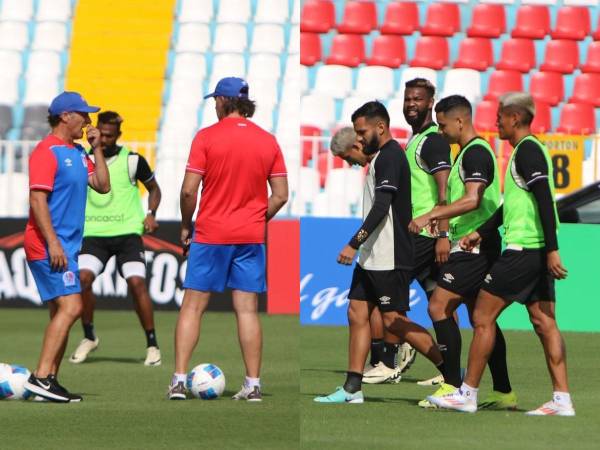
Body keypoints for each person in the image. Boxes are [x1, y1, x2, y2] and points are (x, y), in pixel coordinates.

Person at [429, 92, 574, 416]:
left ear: (515, 118)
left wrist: (552, 250)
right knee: (543, 321)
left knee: (482, 316)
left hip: (524, 249)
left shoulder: (527, 152)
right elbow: (515, 204)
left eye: (500, 117)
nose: (496, 123)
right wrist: (482, 231)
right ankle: (562, 400)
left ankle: (468, 394)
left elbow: (544, 202)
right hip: (532, 249)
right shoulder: (528, 152)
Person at [314, 101, 446, 404]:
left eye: (362, 132)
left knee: (394, 322)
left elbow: (381, 208)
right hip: (372, 255)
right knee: (356, 312)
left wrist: (353, 242)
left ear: (380, 127)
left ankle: (453, 376)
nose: (359, 138)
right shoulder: (379, 159)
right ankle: (352, 388)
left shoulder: (390, 157)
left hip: (390, 253)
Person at [167, 77, 288, 401]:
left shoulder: (207, 137)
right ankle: (253, 385)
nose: (215, 105)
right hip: (249, 236)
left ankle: (179, 381)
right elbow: (281, 195)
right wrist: (255, 219)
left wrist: (184, 224)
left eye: (215, 101)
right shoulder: (268, 140)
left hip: (211, 233)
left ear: (223, 100)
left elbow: (189, 190)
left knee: (193, 307)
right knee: (247, 310)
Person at [409, 95, 516, 410]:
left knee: (438, 306)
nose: (440, 132)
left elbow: (472, 199)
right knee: (481, 318)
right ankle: (504, 391)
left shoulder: (477, 153)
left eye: (443, 125)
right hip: (470, 243)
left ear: (460, 121)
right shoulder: (465, 154)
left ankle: (452, 386)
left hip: (475, 245)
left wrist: (431, 216)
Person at [360, 78, 452, 385]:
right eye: (407, 98)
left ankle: (388, 360)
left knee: (380, 297)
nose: (411, 104)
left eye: (418, 99)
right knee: (438, 303)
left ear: (430, 104)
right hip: (419, 235)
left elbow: (445, 186)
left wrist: (442, 233)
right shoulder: (415, 140)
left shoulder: (433, 141)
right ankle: (449, 370)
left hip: (423, 237)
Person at [23, 91, 110, 402]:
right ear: (65, 117)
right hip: (49, 245)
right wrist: (54, 243)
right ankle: (41, 377)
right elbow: (37, 200)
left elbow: (102, 185)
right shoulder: (47, 151)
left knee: (61, 311)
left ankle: (49, 381)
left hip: (65, 246)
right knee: (73, 307)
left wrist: (97, 148)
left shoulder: (77, 151)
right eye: (82, 114)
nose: (88, 120)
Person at [69, 111, 162, 366]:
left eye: (110, 135)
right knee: (83, 280)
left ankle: (152, 344)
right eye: (103, 133)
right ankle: (89, 337)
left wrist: (151, 213)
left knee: (136, 283)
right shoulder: (82, 159)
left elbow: (154, 189)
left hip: (127, 234)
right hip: (93, 234)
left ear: (118, 135)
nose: (105, 139)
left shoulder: (132, 160)